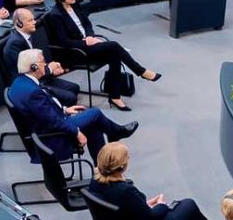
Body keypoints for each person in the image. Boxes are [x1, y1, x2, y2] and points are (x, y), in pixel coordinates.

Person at [45, 0, 161, 111]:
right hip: (76, 52)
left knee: (114, 55)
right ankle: (141, 71)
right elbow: (63, 41)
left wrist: (90, 36)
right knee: (114, 46)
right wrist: (85, 42)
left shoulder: (75, 5)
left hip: (88, 44)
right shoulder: (56, 15)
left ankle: (115, 96)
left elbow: (88, 24)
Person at [9, 48, 138, 159]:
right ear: (34, 67)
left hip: (49, 124)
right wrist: (76, 132)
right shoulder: (32, 92)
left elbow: (44, 110)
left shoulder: (20, 82)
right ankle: (115, 133)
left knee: (94, 125)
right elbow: (52, 122)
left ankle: (101, 169)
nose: (46, 64)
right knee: (94, 113)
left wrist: (65, 109)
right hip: (51, 136)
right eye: (43, 62)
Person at [88, 142, 208, 220]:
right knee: (189, 205)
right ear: (122, 166)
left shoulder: (94, 182)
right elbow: (152, 218)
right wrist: (162, 204)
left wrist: (146, 205)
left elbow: (129, 208)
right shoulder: (126, 190)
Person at [1, 9, 80, 107]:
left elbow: (34, 64)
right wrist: (49, 69)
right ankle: (58, 112)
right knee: (71, 97)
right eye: (30, 21)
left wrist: (50, 68)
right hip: (30, 83)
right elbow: (27, 71)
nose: (35, 22)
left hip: (40, 76)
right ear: (19, 24)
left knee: (75, 88)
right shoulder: (15, 44)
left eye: (33, 19)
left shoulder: (25, 36)